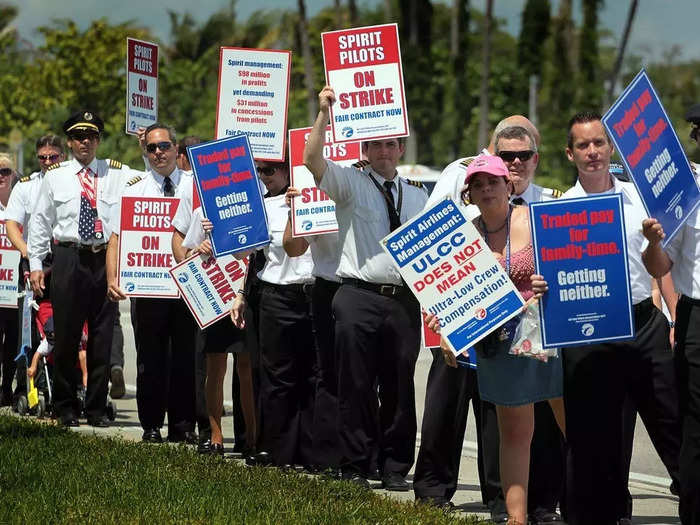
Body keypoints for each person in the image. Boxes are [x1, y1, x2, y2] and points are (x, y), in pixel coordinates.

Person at [415, 121, 566, 525]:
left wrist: (544, 282)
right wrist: (443, 326)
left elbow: (566, 273)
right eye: (478, 184)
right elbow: (445, 296)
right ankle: (516, 519)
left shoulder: (537, 220)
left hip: (546, 340)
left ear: (508, 185)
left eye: (493, 182)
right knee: (514, 436)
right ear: (469, 191)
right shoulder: (461, 236)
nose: (486, 189)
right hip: (499, 347)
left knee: (575, 428)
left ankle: (593, 503)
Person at [534, 112, 681, 525]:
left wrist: (653, 243)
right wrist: (546, 287)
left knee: (671, 419)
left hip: (642, 323)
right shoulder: (559, 212)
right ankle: (596, 513)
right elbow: (555, 283)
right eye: (583, 145)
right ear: (570, 154)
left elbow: (658, 268)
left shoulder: (639, 200)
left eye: (599, 143)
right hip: (589, 333)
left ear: (610, 148)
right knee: (592, 435)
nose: (593, 152)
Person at [303, 85, 428, 490]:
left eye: (391, 144)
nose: (384, 152)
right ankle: (355, 465)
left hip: (403, 301)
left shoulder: (417, 194)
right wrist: (324, 112)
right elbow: (311, 160)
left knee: (399, 386)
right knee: (354, 385)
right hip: (357, 294)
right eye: (376, 145)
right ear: (366, 148)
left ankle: (393, 467)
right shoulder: (351, 184)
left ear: (401, 147)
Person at [27, 110, 128, 427]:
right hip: (68, 258)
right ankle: (65, 405)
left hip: (104, 259)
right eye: (79, 137)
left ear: (99, 140)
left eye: (92, 137)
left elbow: (152, 181)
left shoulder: (116, 174)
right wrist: (35, 265)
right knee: (67, 337)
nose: (86, 142)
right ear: (69, 142)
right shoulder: (55, 176)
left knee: (102, 337)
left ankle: (97, 407)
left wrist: (144, 146)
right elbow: (41, 224)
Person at [105, 123, 197, 444]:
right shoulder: (134, 189)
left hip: (188, 287)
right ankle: (152, 424)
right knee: (151, 357)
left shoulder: (194, 185)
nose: (158, 153)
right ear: (145, 152)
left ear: (176, 149)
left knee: (186, 357)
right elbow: (116, 238)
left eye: (165, 146)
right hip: (148, 287)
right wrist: (112, 278)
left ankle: (183, 425)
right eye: (152, 148)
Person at [231, 159, 315, 469]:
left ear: (289, 169)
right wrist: (219, 230)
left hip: (315, 294)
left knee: (313, 377)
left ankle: (309, 451)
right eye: (260, 171)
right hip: (277, 295)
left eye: (270, 171)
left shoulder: (320, 195)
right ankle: (274, 448)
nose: (264, 178)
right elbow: (245, 254)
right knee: (276, 378)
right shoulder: (261, 205)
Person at [641, 102, 700, 525]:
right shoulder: (685, 193)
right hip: (698, 318)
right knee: (695, 425)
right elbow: (663, 267)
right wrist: (654, 241)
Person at [282, 186, 342, 473]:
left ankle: (369, 459)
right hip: (329, 287)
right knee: (327, 374)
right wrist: (297, 212)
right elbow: (294, 248)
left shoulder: (386, 192)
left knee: (367, 379)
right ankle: (327, 458)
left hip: (370, 290)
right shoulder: (318, 188)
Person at [0, 154, 19, 408]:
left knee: (15, 340)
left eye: (5, 171)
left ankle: (8, 388)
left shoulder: (20, 203)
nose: (1, 177)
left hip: (16, 287)